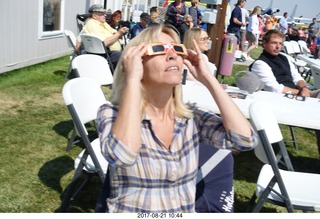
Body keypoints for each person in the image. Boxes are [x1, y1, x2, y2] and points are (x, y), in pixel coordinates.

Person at [96, 24, 258, 212]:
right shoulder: (112, 113)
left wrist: (208, 79)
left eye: (176, 49)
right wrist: (132, 79)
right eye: (158, 49)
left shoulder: (189, 117)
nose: (172, 55)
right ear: (135, 62)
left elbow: (245, 141)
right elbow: (122, 155)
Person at [182, 27, 236, 212]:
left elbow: (245, 139)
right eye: (204, 39)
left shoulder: (205, 63)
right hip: (193, 110)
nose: (208, 41)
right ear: (194, 41)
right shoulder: (194, 63)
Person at [249, 29, 320, 155]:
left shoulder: (284, 58)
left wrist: (304, 88)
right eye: (274, 43)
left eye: (280, 44)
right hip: (283, 101)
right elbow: (276, 89)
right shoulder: (260, 64)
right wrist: (299, 92)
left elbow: (297, 77)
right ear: (264, 43)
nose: (278, 47)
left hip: (298, 95)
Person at [82, 4, 128, 69]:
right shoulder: (92, 25)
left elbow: (114, 32)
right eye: (102, 13)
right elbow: (103, 43)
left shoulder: (103, 23)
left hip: (111, 52)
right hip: (106, 54)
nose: (105, 15)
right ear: (94, 16)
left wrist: (120, 32)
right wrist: (118, 33)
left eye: (105, 13)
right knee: (128, 57)